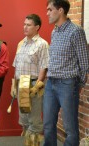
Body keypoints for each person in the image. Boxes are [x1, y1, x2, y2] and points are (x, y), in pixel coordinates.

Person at [44, 0, 89, 145]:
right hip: (51, 83)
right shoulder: (54, 31)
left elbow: (84, 62)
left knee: (70, 128)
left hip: (67, 84)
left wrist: (78, 84)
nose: (47, 13)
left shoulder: (76, 31)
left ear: (61, 10)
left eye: (50, 10)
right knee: (48, 124)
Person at [12, 14, 49, 146]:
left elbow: (44, 67)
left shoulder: (42, 44)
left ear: (37, 27)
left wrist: (38, 86)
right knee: (25, 121)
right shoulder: (21, 43)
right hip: (21, 85)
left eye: (28, 25)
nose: (25, 27)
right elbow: (17, 66)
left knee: (34, 122)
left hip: (34, 85)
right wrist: (14, 86)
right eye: (24, 24)